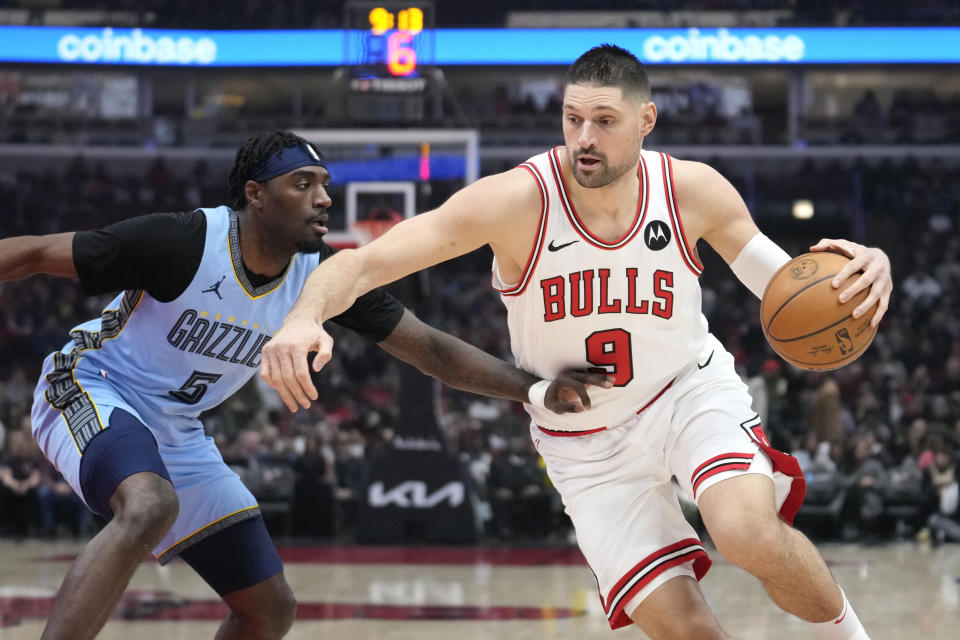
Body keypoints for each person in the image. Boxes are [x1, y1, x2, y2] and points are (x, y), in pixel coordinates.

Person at [262, 46, 893, 640]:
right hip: (584, 442)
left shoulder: (692, 190)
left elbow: (784, 287)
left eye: (604, 120)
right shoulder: (517, 201)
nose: (584, 137)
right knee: (687, 629)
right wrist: (304, 315)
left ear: (646, 120)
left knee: (746, 532)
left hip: (686, 394)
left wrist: (858, 279)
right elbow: (363, 263)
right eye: (572, 118)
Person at [0, 130, 610, 640]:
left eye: (325, 186)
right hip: (91, 384)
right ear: (255, 195)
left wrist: (534, 389)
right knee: (150, 505)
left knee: (270, 610)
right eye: (303, 184)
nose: (323, 199)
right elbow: (32, 253)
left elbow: (429, 349)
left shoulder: (320, 280)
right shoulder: (185, 239)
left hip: (176, 430)